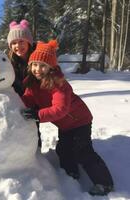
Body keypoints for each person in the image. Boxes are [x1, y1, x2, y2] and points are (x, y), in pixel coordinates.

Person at [20, 40, 114, 196]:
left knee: (83, 151)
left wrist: (37, 115)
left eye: (43, 65)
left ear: (51, 67)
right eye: (35, 64)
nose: (38, 69)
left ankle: (104, 182)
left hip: (79, 121)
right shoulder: (32, 83)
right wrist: (16, 106)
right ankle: (71, 173)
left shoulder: (59, 84)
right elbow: (28, 99)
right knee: (64, 149)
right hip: (65, 125)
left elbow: (60, 109)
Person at [7, 19, 42, 147]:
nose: (18, 46)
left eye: (21, 41)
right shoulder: (9, 61)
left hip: (35, 102)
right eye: (14, 43)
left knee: (34, 131)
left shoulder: (37, 58)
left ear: (28, 42)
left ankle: (37, 153)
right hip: (17, 102)